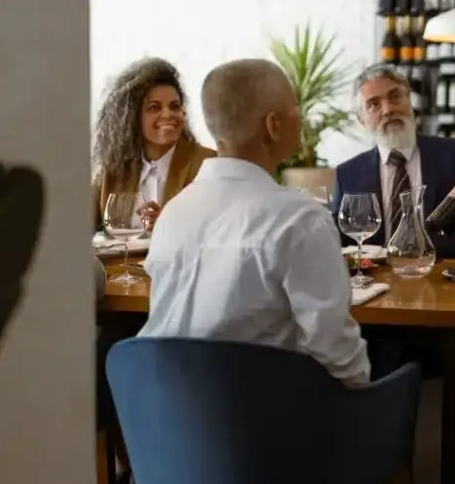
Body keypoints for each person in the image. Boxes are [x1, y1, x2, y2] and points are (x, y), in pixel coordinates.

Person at [139, 58, 370, 387]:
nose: (302, 117)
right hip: (262, 414)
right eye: (296, 108)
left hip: (163, 410)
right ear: (273, 125)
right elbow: (339, 357)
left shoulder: (173, 214)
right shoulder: (300, 220)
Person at [332, 63, 455, 261]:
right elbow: (337, 243)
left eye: (395, 97)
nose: (388, 109)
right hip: (378, 277)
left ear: (410, 101)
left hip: (447, 276)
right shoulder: (347, 175)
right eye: (374, 104)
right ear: (361, 120)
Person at [91, 57, 215, 232]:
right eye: (154, 108)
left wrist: (169, 225)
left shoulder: (208, 164)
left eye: (175, 106)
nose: (168, 114)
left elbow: (218, 229)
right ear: (132, 118)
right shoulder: (111, 171)